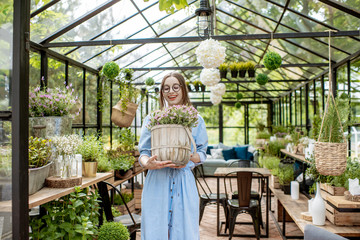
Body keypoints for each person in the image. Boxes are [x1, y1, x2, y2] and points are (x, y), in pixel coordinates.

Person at [138, 72, 208, 240]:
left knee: (184, 231)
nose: (171, 91)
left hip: (183, 183)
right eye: (166, 88)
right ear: (162, 92)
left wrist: (189, 157)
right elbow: (143, 153)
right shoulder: (152, 119)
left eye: (176, 87)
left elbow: (202, 153)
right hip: (157, 183)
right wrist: (148, 163)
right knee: (155, 230)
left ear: (183, 89)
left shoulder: (196, 120)